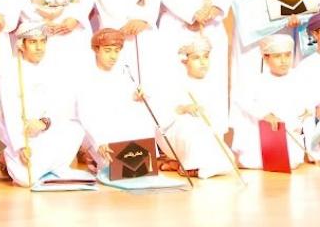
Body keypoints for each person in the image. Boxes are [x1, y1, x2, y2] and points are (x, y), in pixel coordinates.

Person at [0, 22, 84, 187]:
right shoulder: (9, 70)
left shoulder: (53, 67)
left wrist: (44, 123)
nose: (39, 48)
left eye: (42, 41)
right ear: (21, 45)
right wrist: (21, 145)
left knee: (76, 127)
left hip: (45, 127)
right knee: (26, 179)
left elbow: (61, 104)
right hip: (21, 133)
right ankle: (46, 167)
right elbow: (9, 112)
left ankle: (54, 167)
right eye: (33, 42)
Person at [77, 29, 156, 172]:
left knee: (142, 114)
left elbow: (125, 104)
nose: (113, 56)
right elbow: (86, 116)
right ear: (96, 50)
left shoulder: (124, 72)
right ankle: (93, 158)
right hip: (99, 135)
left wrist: (137, 97)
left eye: (116, 51)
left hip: (121, 128)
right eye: (107, 51)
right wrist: (99, 142)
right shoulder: (86, 77)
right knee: (115, 170)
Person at [231, 34, 313, 170]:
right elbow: (243, 100)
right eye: (277, 56)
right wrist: (265, 114)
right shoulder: (257, 80)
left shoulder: (299, 78)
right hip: (263, 133)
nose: (283, 61)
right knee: (252, 159)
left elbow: (306, 105)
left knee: (290, 162)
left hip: (290, 132)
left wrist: (303, 113)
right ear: (266, 58)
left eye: (287, 55)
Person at [156, 36, 232, 179]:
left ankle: (185, 166)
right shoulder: (175, 83)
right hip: (179, 131)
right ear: (185, 61)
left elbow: (218, 117)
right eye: (196, 58)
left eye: (206, 57)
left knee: (227, 160)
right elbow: (163, 116)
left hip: (207, 132)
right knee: (194, 129)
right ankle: (191, 166)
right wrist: (184, 109)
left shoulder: (214, 84)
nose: (203, 62)